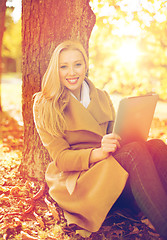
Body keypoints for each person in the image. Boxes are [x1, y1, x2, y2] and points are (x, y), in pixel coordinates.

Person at [33, 40, 167, 239]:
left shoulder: (102, 96)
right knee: (134, 151)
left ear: (85, 66)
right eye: (64, 66)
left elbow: (116, 136)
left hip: (111, 170)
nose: (72, 72)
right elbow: (61, 159)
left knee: (156, 146)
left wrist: (127, 135)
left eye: (77, 64)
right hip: (82, 180)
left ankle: (155, 210)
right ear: (56, 69)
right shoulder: (45, 104)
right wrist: (99, 153)